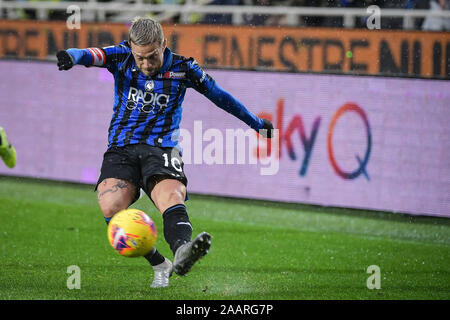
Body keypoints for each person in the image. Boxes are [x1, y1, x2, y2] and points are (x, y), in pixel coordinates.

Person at [56, 17, 274, 288]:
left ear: (163, 44)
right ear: (131, 48)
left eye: (152, 56)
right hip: (121, 147)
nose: (146, 64)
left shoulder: (184, 68)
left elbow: (220, 96)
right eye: (140, 58)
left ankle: (183, 251)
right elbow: (91, 54)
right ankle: (159, 261)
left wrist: (255, 123)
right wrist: (71, 56)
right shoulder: (121, 56)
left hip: (162, 148)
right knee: (111, 207)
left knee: (171, 197)